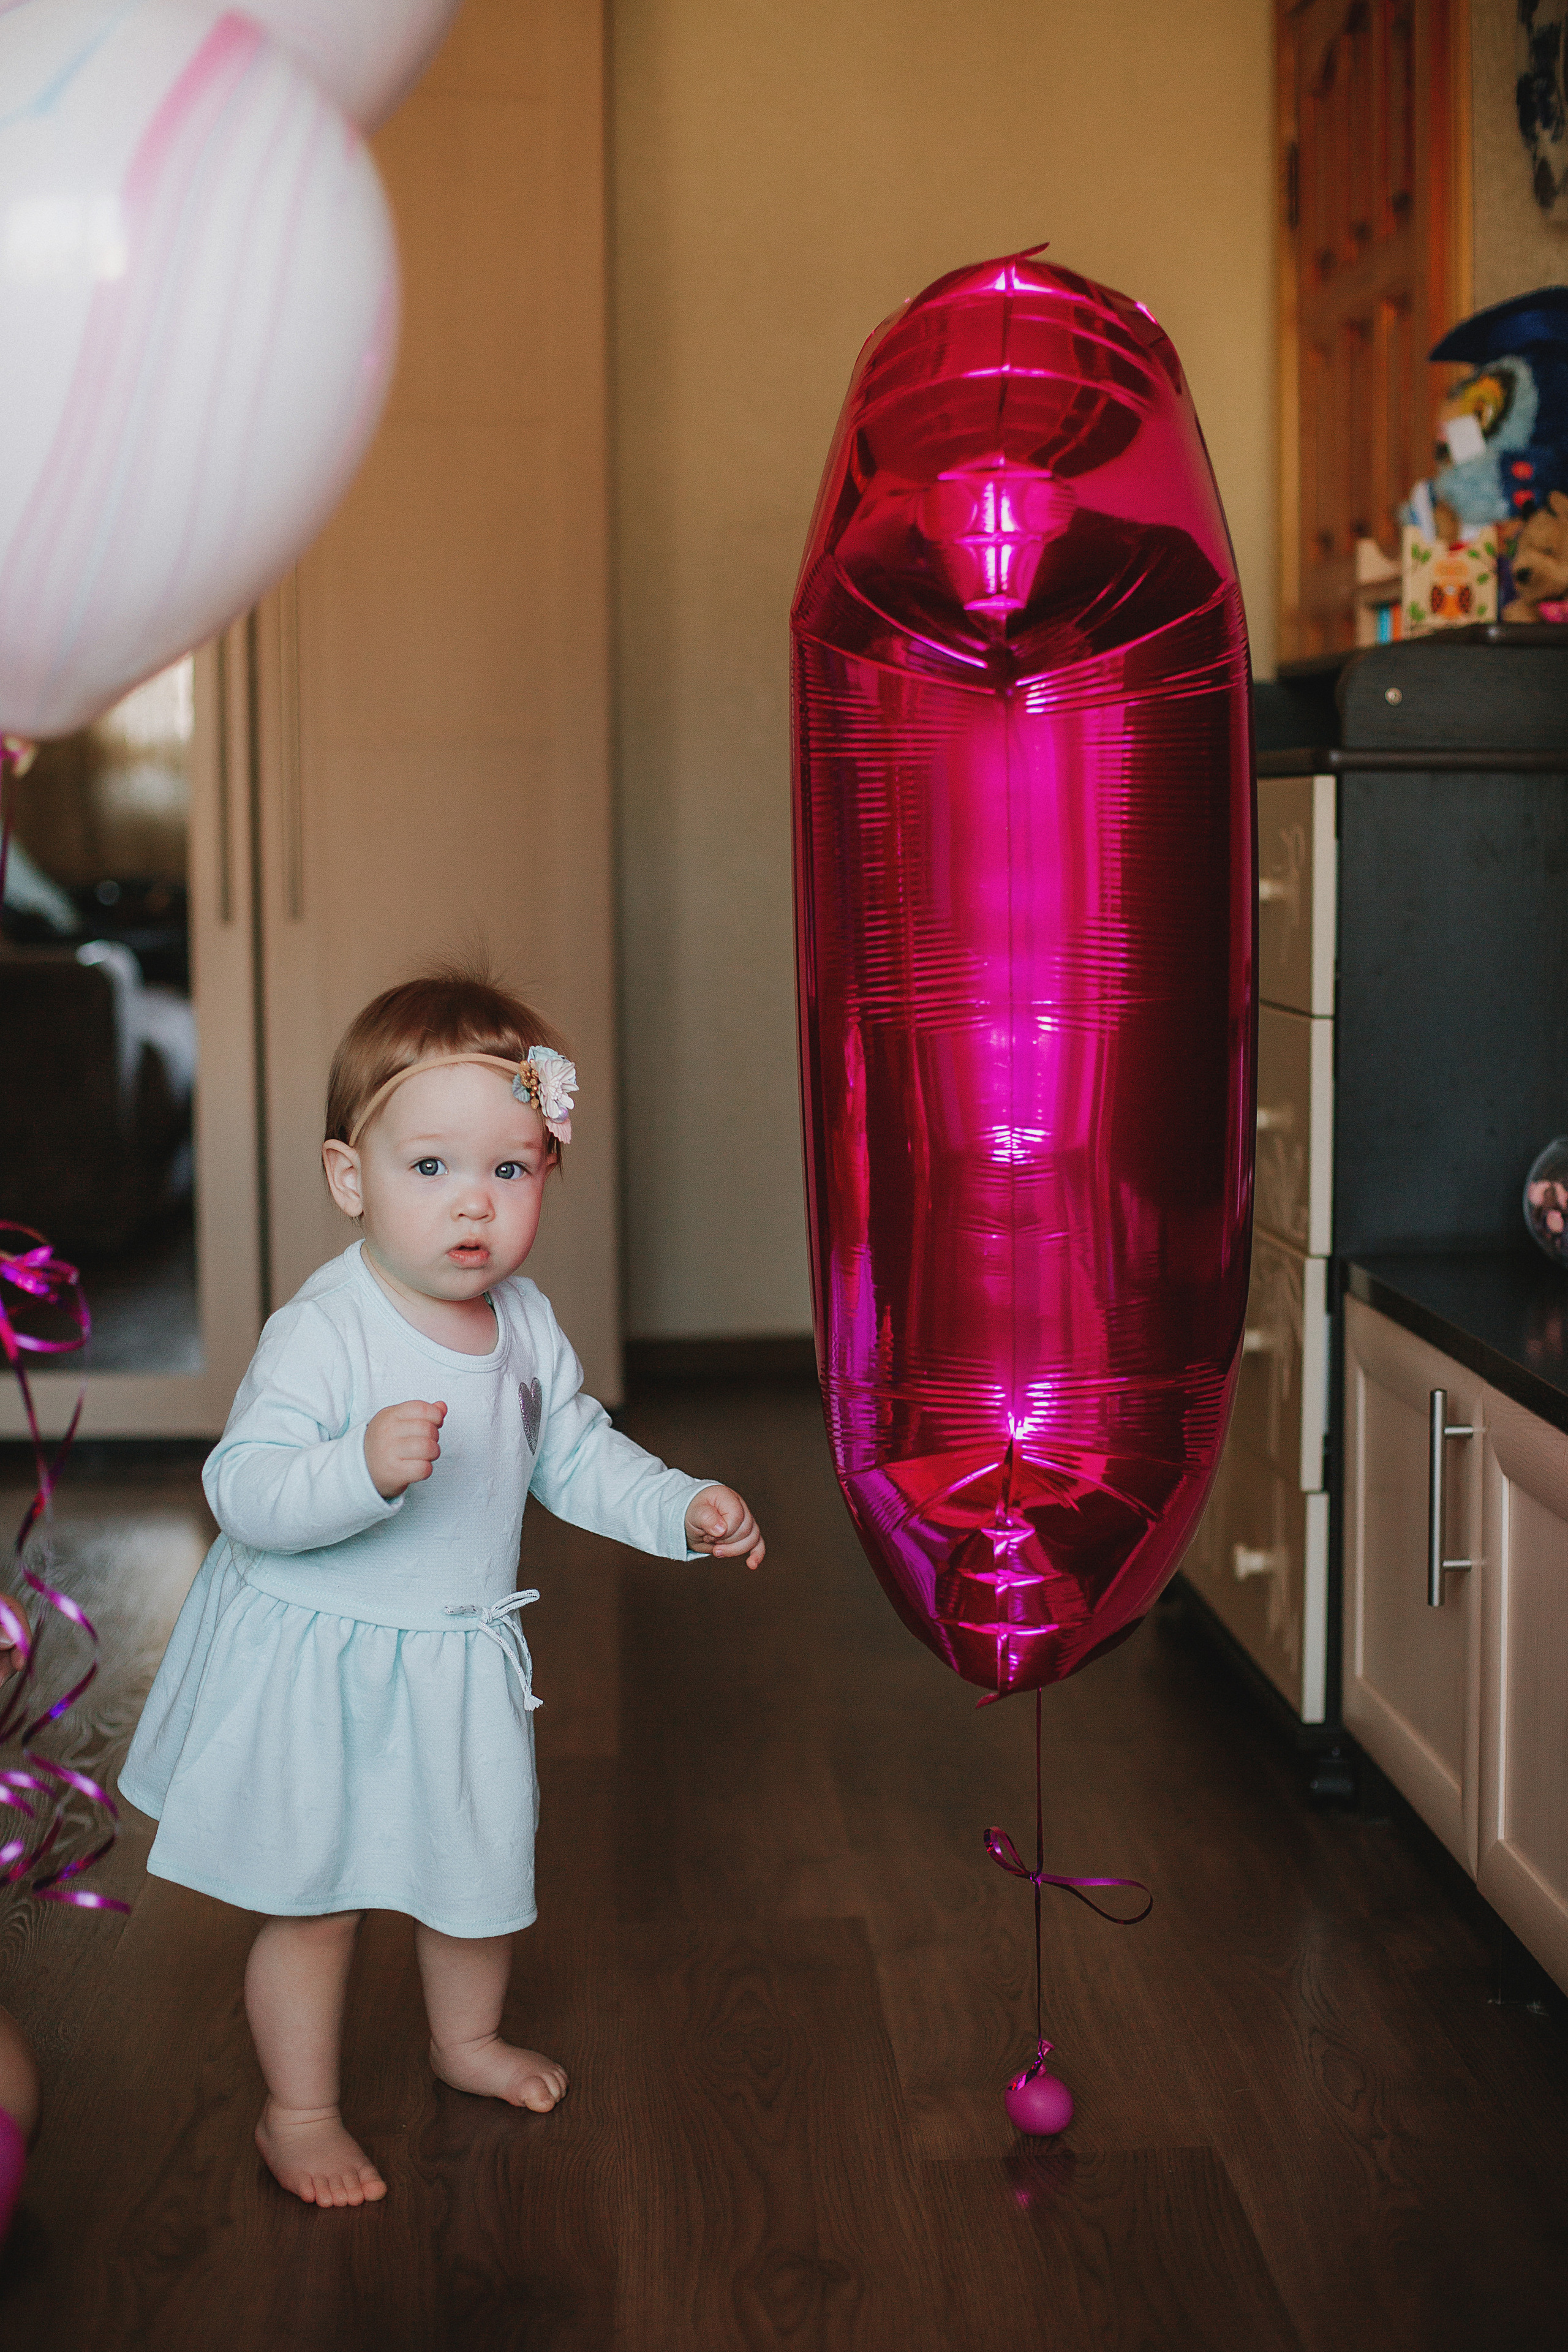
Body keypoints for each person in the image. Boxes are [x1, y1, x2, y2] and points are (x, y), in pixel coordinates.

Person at [120, 967, 765, 2211]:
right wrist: (355, 1471)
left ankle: (462, 2041)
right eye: (430, 1169)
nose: (472, 1203)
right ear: (349, 1178)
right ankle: (295, 2112)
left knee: (473, 1870)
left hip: (454, 1658)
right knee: (314, 1904)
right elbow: (242, 1489)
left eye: (509, 1170)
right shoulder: (326, 1329)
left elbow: (572, 1452)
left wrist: (680, 1506)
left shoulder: (522, 1326)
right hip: (318, 1661)